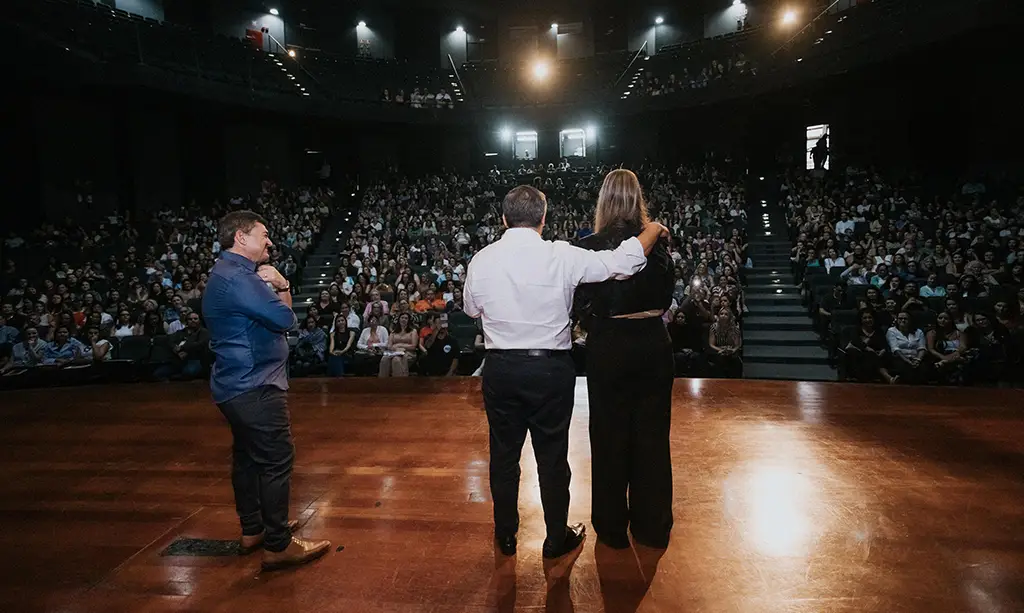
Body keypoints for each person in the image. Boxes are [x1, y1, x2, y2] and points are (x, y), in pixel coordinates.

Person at [464, 185, 668, 560]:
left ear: (503, 219)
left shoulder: (481, 259)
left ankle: (506, 536)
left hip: (502, 370)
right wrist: (652, 230)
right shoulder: (561, 254)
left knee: (503, 456)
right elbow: (621, 264)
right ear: (543, 219)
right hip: (550, 369)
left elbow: (471, 310)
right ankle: (556, 538)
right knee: (552, 457)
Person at [203, 210, 330, 572]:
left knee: (247, 459)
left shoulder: (226, 273)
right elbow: (285, 320)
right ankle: (278, 545)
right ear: (241, 238)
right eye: (263, 234)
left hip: (236, 384)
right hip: (255, 385)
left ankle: (254, 529)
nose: (270, 241)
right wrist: (284, 285)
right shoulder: (241, 279)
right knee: (276, 460)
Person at [572, 169, 675, 550]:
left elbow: (581, 305)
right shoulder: (659, 244)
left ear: (603, 201)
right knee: (652, 436)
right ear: (638, 199)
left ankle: (612, 527)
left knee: (608, 434)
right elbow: (665, 297)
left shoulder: (589, 246)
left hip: (609, 344)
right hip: (652, 342)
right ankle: (652, 526)